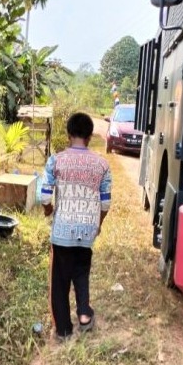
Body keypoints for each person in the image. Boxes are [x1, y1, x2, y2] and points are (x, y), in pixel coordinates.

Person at [41, 112, 112, 341]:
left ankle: (63, 330)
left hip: (63, 230)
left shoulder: (57, 160)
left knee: (60, 280)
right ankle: (83, 315)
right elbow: (106, 202)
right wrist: (98, 224)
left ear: (69, 134)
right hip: (88, 229)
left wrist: (48, 210)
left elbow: (44, 195)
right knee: (81, 271)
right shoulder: (102, 164)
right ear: (90, 136)